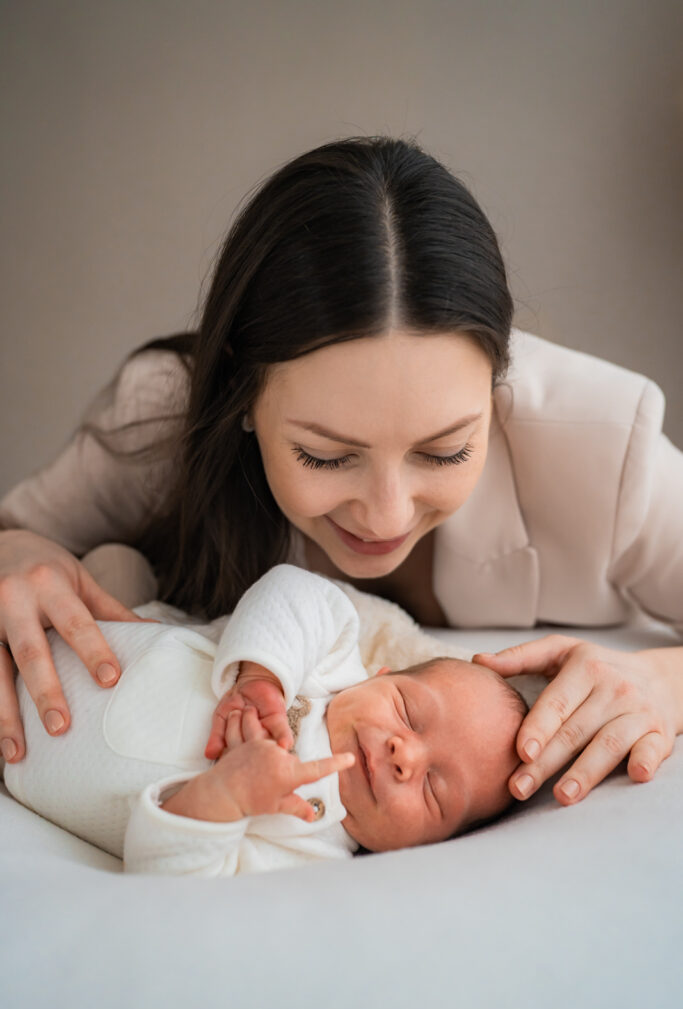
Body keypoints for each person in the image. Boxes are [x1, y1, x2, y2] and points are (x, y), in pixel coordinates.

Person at [1, 136, 682, 814]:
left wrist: (662, 680)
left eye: (443, 451)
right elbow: (18, 539)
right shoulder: (162, 421)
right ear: (242, 392)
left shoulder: (601, 447)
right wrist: (17, 553)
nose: (385, 517)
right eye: (325, 457)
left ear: (498, 383)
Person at [3, 566, 526, 874]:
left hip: (16, 749)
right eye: (408, 711)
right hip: (68, 628)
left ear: (429, 848)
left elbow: (172, 875)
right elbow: (294, 592)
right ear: (379, 674)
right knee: (114, 572)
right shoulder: (326, 668)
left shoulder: (308, 852)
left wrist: (223, 798)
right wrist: (263, 677)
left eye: (434, 790)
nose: (405, 754)